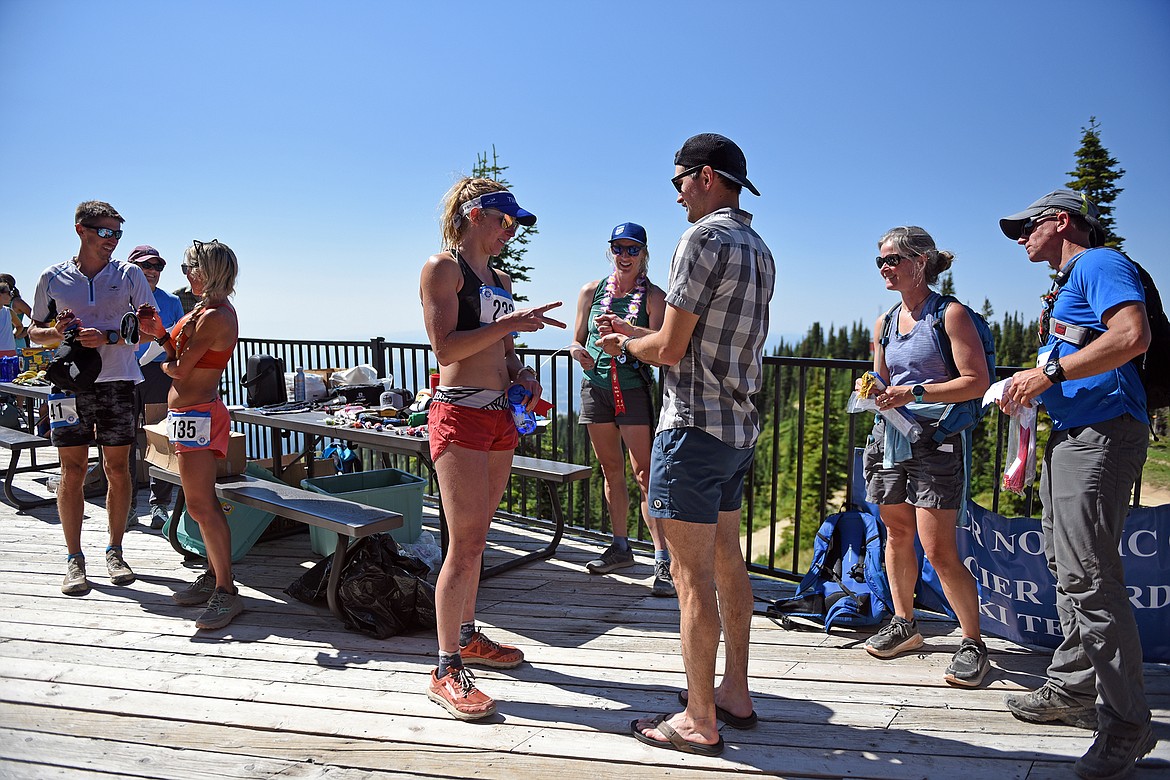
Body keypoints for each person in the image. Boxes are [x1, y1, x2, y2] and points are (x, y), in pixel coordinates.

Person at [600, 133, 774, 756]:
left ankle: (700, 719)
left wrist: (629, 342)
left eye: (678, 182)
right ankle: (735, 691)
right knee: (729, 561)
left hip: (693, 424)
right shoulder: (758, 246)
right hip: (737, 428)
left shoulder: (701, 239)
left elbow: (671, 348)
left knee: (690, 576)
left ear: (702, 176)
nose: (676, 195)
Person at [998, 190, 1155, 779]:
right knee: (1069, 571)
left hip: (1103, 434)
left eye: (1027, 226)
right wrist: (1036, 381)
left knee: (1089, 578)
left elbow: (1131, 336)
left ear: (1060, 222)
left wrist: (1051, 372)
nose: (1020, 238)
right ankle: (1072, 687)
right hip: (1075, 437)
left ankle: (1127, 724)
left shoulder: (1096, 263)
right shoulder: (1069, 281)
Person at [419, 178, 565, 720]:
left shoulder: (497, 278)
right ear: (475, 215)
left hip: (499, 415)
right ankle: (445, 666)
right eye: (504, 221)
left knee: (479, 540)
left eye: (514, 225)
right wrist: (510, 325)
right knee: (464, 542)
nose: (510, 233)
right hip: (457, 414)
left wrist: (524, 374)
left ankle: (468, 635)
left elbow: (503, 355)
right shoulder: (443, 269)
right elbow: (446, 348)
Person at [860, 227, 991, 687]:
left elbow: (976, 381)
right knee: (896, 533)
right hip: (892, 440)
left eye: (893, 259)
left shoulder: (950, 315)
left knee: (938, 549)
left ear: (921, 262)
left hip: (937, 442)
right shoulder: (885, 323)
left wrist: (913, 390)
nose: (885, 268)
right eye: (880, 261)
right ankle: (904, 622)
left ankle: (972, 642)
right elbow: (882, 381)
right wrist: (874, 392)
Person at [28, 201, 155, 595]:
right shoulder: (53, 277)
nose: (113, 240)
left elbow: (151, 330)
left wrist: (111, 338)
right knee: (73, 471)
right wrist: (61, 334)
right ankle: (74, 559)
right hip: (69, 385)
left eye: (118, 233)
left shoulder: (129, 274)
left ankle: (115, 550)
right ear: (81, 230)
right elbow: (34, 333)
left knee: (118, 469)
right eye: (105, 232)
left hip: (119, 382)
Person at [139, 239, 243, 630]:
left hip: (198, 413)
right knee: (197, 503)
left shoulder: (215, 315)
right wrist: (160, 334)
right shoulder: (204, 309)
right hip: (190, 413)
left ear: (208, 271)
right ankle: (217, 578)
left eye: (189, 268)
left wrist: (167, 364)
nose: (186, 276)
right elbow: (178, 354)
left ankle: (227, 591)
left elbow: (180, 370)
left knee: (201, 505)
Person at [570, 222, 673, 596]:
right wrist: (577, 353)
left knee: (646, 475)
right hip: (594, 387)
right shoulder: (590, 291)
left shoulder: (654, 297)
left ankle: (664, 560)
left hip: (632, 389)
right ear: (610, 250)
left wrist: (627, 330)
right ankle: (621, 547)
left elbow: (663, 346)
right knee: (610, 470)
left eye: (632, 249)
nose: (624, 256)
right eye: (618, 248)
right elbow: (577, 340)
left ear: (644, 253)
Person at [126, 245, 185, 530]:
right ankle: (125, 507)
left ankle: (159, 505)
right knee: (121, 441)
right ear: (130, 268)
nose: (152, 272)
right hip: (122, 373)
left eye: (158, 267)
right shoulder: (116, 298)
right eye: (145, 266)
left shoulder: (171, 301)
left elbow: (177, 342)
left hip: (157, 375)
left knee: (160, 439)